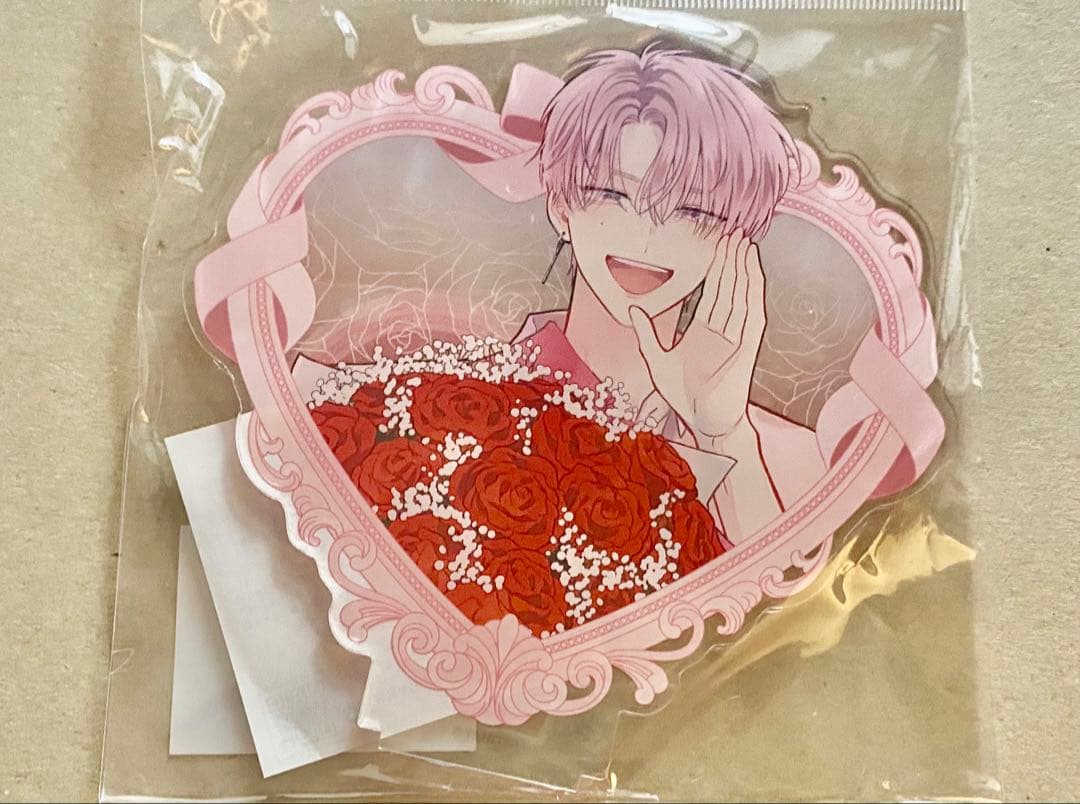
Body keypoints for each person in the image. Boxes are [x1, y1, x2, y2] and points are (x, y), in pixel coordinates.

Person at [514, 45, 822, 544]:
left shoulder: (793, 458)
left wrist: (723, 434)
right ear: (561, 208)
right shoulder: (457, 405)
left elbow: (789, 587)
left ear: (736, 234)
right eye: (613, 194)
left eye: (692, 211)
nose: (646, 237)